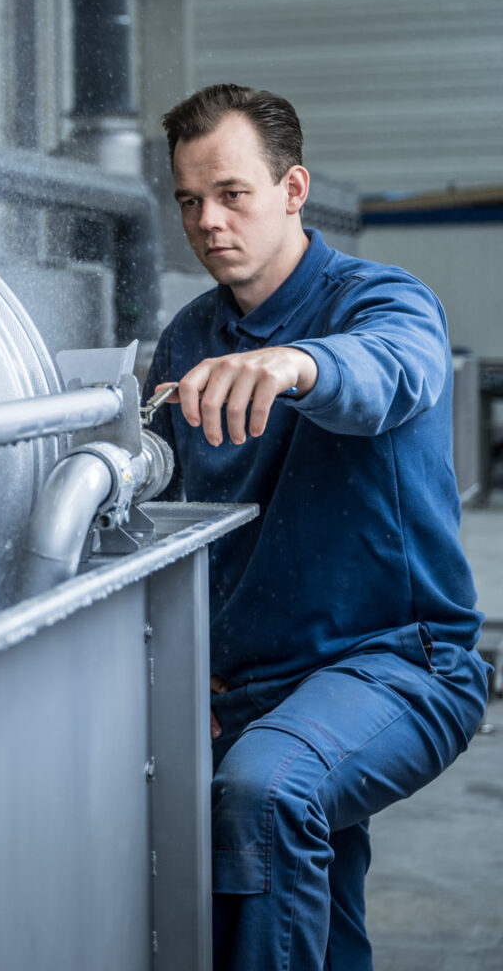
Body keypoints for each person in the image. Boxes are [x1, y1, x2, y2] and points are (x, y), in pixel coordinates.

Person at [145, 84, 490, 971]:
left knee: (264, 795)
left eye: (232, 194)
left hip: (398, 663)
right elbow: (169, 517)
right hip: (258, 686)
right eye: (189, 200)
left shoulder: (383, 302)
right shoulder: (189, 340)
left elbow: (394, 374)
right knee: (301, 907)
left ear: (293, 190)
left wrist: (300, 363)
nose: (208, 221)